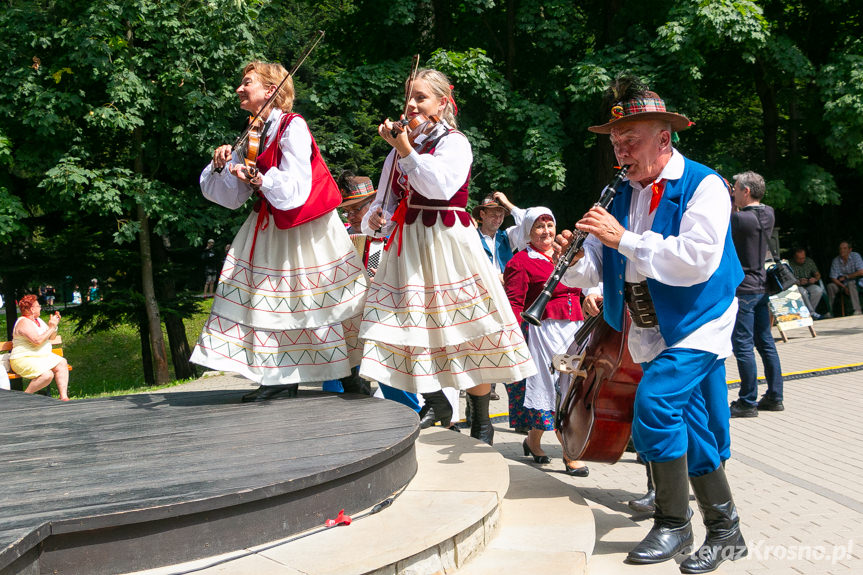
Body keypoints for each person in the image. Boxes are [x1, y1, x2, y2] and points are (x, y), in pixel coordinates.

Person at [557, 78, 747, 573]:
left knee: (657, 404)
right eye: (615, 140)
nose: (620, 148)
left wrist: (623, 240)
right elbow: (598, 264)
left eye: (631, 138)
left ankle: (673, 523)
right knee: (693, 422)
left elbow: (696, 261)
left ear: (664, 138)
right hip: (646, 323)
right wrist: (571, 258)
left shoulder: (704, 185)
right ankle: (727, 532)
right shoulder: (621, 192)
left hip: (700, 318)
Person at [360, 67, 536, 445]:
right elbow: (385, 204)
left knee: (464, 335)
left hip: (448, 244)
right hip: (409, 245)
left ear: (443, 103)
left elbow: (438, 188)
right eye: (409, 97)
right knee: (399, 328)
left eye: (421, 97)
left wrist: (404, 149)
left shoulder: (454, 141)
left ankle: (481, 419)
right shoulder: (398, 150)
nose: (411, 105)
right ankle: (435, 399)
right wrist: (376, 216)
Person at [192, 60, 367, 402]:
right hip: (271, 225)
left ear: (270, 90)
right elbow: (231, 197)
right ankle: (279, 376)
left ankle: (349, 373)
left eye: (247, 83)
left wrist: (260, 178)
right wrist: (223, 167)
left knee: (322, 299)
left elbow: (297, 185)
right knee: (273, 302)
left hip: (307, 226)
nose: (239, 89)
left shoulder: (292, 126)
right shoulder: (252, 133)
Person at [503, 207, 588, 476]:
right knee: (553, 391)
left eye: (549, 225)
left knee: (571, 388)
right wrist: (515, 339)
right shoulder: (520, 262)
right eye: (539, 227)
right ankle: (569, 454)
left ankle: (533, 441)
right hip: (542, 332)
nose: (546, 232)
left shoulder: (568, 255)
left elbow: (586, 286)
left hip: (574, 330)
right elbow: (515, 303)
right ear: (528, 232)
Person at [728, 171, 784, 418]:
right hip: (762, 287)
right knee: (766, 343)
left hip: (743, 289)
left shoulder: (739, 221)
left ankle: (747, 400)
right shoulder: (768, 213)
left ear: (746, 191)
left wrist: (729, 204)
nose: (734, 192)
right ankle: (774, 396)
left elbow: (725, 228)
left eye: (736, 189)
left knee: (743, 346)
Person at [8, 294, 70, 401]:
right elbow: (37, 341)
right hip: (23, 358)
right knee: (47, 375)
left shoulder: (38, 320)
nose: (40, 307)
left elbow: (51, 337)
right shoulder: (23, 322)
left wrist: (54, 326)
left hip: (40, 357)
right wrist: (51, 327)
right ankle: (23, 398)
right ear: (32, 309)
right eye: (38, 306)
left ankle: (64, 397)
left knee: (62, 363)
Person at [826, 241, 863, 316]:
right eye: (840, 248)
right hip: (842, 285)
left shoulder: (856, 256)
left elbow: (861, 271)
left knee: (851, 284)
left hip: (857, 282)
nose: (842, 250)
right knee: (830, 286)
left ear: (850, 250)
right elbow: (833, 277)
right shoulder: (836, 260)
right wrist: (844, 287)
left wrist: (847, 276)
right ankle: (830, 311)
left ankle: (857, 310)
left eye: (844, 248)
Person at [789, 247, 824, 319]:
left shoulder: (809, 261)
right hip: (797, 286)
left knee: (818, 290)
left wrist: (814, 279)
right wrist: (798, 281)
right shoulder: (789, 264)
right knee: (803, 291)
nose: (802, 260)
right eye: (800, 258)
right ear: (795, 258)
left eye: (803, 258)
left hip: (809, 284)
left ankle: (809, 313)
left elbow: (818, 274)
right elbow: (788, 280)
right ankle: (811, 313)